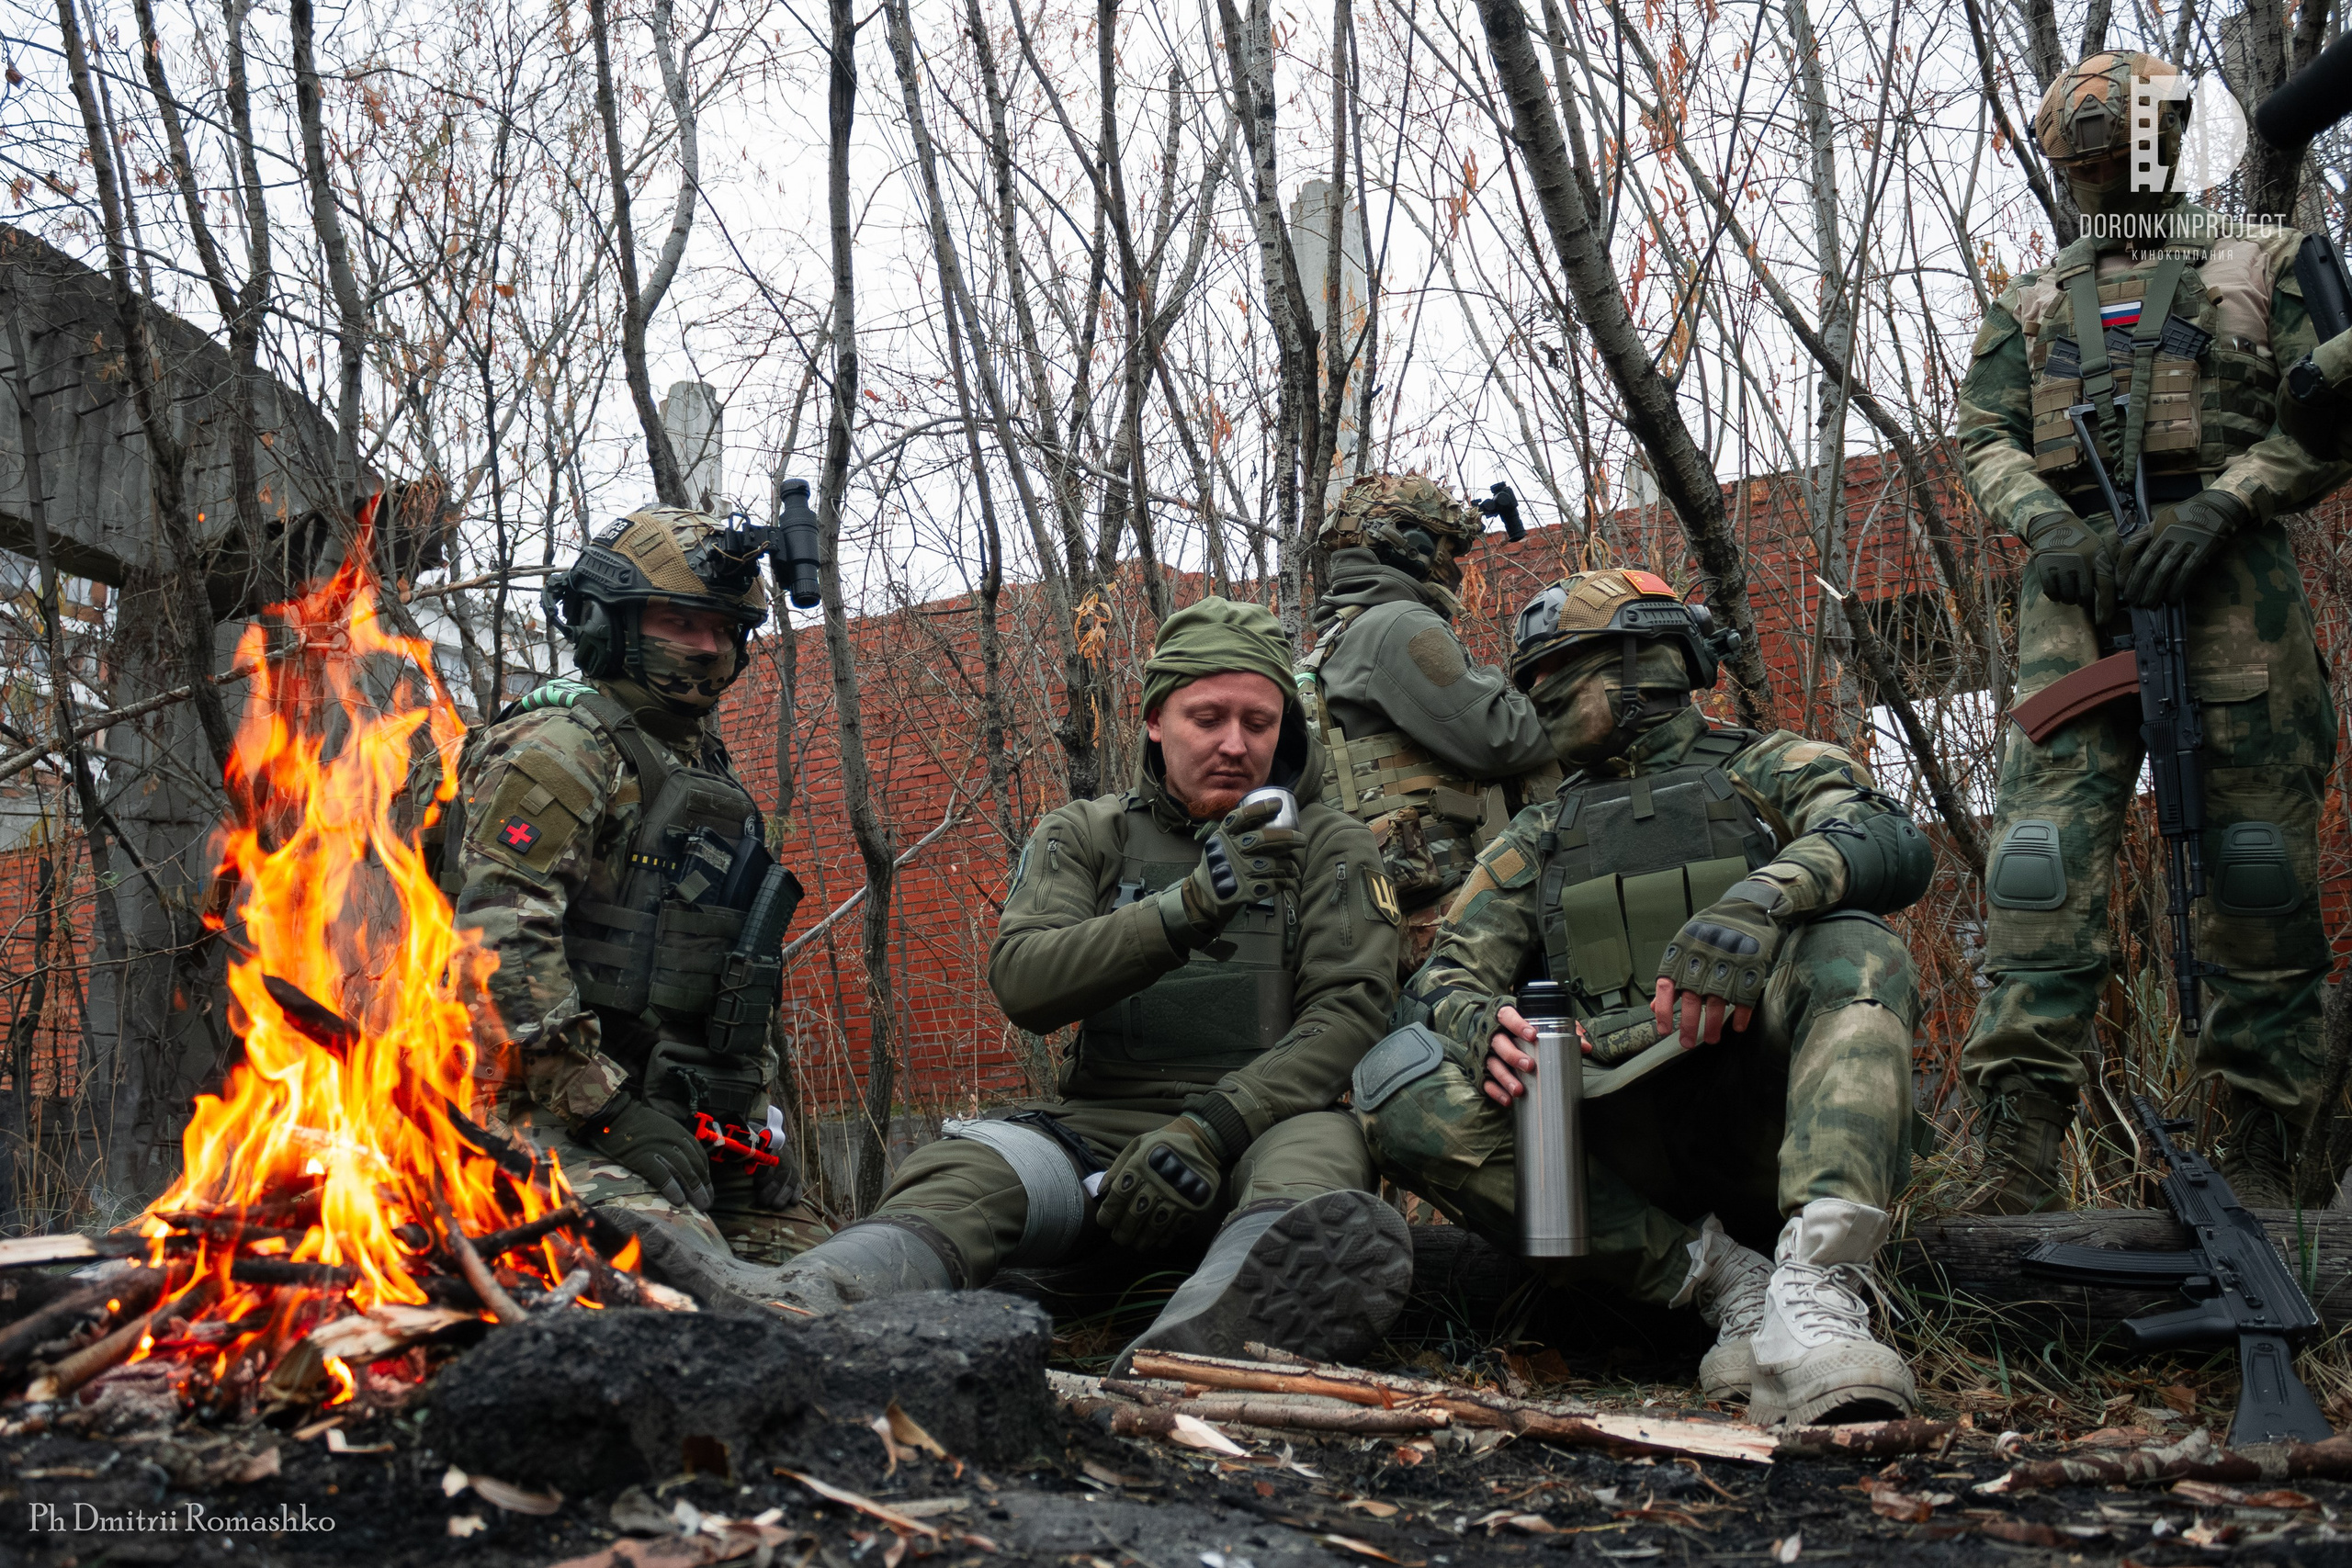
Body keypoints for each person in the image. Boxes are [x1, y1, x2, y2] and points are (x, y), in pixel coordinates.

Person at [652, 597, 1410, 1363]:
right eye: (1206, 716)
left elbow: (1349, 1015)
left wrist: (1209, 1130)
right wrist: (1188, 909)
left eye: (1259, 721)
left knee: (1325, 1149)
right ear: (1153, 720)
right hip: (1098, 1138)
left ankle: (1200, 1349)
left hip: (1262, 1130)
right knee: (965, 1168)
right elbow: (1025, 984)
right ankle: (805, 1300)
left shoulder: (1328, 844)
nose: (1234, 743)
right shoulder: (1088, 833)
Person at [1361, 570, 1930, 1427]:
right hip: (1615, 1139)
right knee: (1392, 1080)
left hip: (1761, 1108)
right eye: (1529, 678)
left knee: (1855, 945)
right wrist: (1485, 1026)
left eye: (1561, 669)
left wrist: (1763, 898)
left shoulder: (1768, 765)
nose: (1535, 692)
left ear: (1647, 664)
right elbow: (1442, 976)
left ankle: (1817, 1292)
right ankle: (1724, 1285)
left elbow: (1884, 834)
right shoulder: (1540, 832)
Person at [1955, 51, 2351, 1213]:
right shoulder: (2026, 304)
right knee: (2036, 867)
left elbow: (2330, 412)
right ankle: (2016, 1152)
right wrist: (2045, 528)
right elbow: (1983, 437)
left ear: (2160, 143)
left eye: (2111, 152)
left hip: (2231, 586)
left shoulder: (2266, 260)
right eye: (2075, 163)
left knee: (2256, 868)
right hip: (2075, 601)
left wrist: (2229, 501)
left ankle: (2267, 1152)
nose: (2093, 179)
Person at [439, 507, 830, 1271]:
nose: (710, 647)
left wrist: (757, 1126)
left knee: (834, 1290)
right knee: (700, 1291)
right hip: (534, 1118)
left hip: (680, 1116)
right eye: (683, 622)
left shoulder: (703, 770)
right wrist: (614, 1117)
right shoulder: (560, 749)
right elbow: (498, 951)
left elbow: (726, 986)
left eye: (724, 628)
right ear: (605, 623)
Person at [1298, 475, 1558, 978]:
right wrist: (1590, 697)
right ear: (1409, 543)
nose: (1454, 566)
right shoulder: (1399, 624)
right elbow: (1498, 734)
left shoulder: (1341, 634)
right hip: (1447, 914)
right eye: (1447, 547)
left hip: (1392, 910)